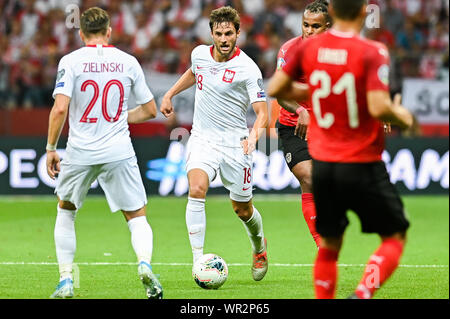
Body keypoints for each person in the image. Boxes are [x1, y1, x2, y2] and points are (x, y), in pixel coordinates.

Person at [268, 0, 413, 299]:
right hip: (360, 160)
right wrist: (400, 116)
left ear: (332, 16)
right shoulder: (373, 52)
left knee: (331, 246)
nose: (308, 31)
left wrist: (320, 92)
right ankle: (362, 294)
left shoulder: (310, 52)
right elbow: (377, 105)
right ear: (364, 13)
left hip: (326, 161)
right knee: (394, 236)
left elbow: (275, 87)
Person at [46, 7, 162, 299]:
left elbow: (60, 108)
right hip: (118, 150)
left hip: (80, 151)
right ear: (109, 31)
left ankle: (66, 281)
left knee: (66, 212)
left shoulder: (71, 61)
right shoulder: (128, 61)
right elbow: (150, 110)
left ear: (82, 32)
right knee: (136, 216)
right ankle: (145, 265)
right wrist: (122, 118)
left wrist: (50, 148)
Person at [160, 6, 269, 281]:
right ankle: (199, 262)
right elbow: (193, 72)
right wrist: (169, 93)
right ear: (211, 33)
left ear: (237, 33)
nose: (223, 39)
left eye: (229, 33)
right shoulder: (199, 54)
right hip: (202, 138)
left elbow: (263, 113)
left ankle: (259, 248)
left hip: (236, 143)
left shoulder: (247, 68)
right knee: (196, 189)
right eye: (218, 33)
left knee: (242, 209)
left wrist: (253, 137)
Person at [275, 0, 331, 248]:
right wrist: (300, 110)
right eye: (305, 25)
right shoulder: (289, 51)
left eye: (315, 26)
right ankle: (322, 244)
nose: (308, 31)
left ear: (327, 27)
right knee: (308, 176)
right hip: (293, 127)